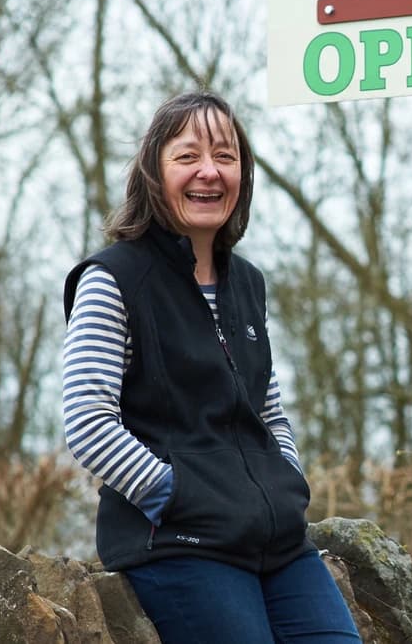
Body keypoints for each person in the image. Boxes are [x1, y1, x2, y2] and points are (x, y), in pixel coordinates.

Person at [61, 92, 360, 643]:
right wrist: (173, 496)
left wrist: (285, 479)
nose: (209, 171)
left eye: (225, 156)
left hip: (277, 542)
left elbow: (267, 409)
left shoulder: (246, 283)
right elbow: (87, 419)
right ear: (154, 170)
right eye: (188, 156)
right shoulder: (113, 278)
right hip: (181, 543)